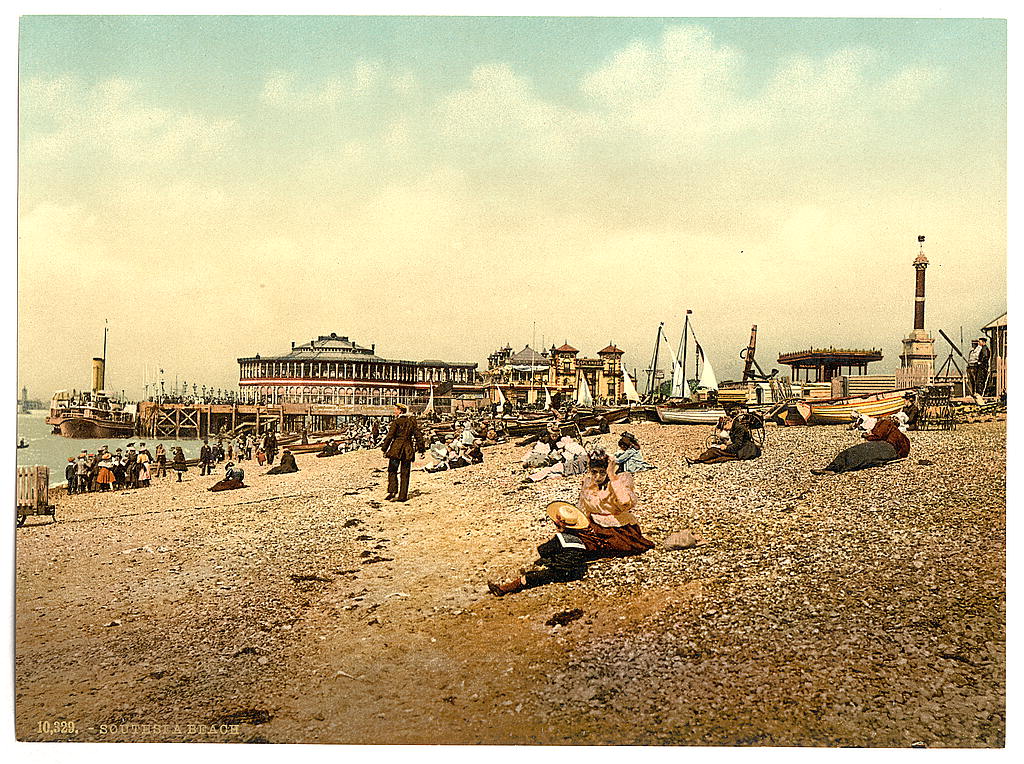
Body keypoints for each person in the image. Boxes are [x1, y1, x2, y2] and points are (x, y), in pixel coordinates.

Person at [488, 449, 655, 595]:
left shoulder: (621, 481)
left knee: (571, 551)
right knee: (562, 542)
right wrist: (569, 524)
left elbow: (626, 503)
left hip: (619, 532)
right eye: (594, 471)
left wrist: (612, 475)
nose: (597, 476)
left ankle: (522, 580)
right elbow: (582, 509)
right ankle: (530, 570)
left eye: (601, 472)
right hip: (593, 526)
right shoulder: (589, 483)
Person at [811, 417, 911, 475]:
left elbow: (878, 435)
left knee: (860, 453)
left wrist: (869, 437)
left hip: (887, 448)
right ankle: (834, 467)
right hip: (890, 450)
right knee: (863, 455)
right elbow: (903, 451)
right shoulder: (898, 434)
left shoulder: (885, 423)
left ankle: (834, 468)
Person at [380, 403, 426, 502]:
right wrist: (421, 449)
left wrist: (384, 449)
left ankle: (392, 491)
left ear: (400, 411)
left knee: (392, 470)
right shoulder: (411, 422)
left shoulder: (396, 422)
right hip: (407, 450)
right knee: (405, 473)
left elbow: (390, 436)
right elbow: (418, 436)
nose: (394, 412)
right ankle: (403, 496)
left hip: (396, 449)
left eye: (396, 410)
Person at [687, 408, 761, 464]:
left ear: (729, 422)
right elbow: (736, 442)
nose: (724, 429)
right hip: (740, 448)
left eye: (724, 427)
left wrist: (726, 447)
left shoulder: (739, 428)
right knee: (716, 451)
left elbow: (738, 444)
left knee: (717, 453)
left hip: (744, 451)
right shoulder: (734, 427)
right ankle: (700, 460)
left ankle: (698, 460)